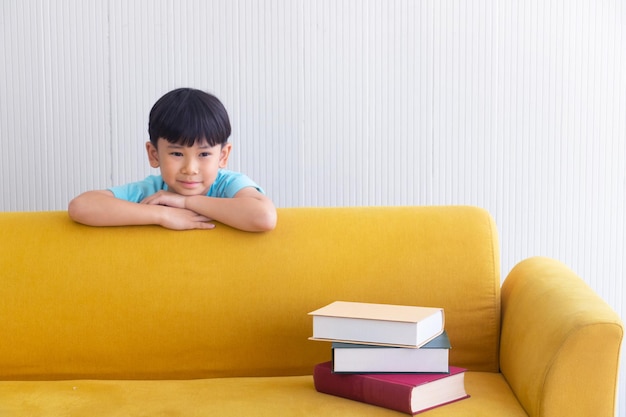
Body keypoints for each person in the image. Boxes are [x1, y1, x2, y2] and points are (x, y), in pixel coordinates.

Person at [68, 88, 277, 232]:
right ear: (154, 154)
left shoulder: (229, 185)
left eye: (204, 154)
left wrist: (186, 202)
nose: (190, 169)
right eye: (177, 154)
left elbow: (264, 217)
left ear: (223, 156)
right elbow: (81, 207)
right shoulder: (152, 192)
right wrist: (161, 215)